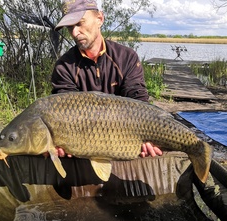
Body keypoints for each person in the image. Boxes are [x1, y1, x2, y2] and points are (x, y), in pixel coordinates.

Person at [51, 0, 162, 158]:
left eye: (80, 23)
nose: (75, 33)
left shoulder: (126, 57)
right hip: (82, 150)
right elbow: (63, 114)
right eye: (70, 27)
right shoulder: (64, 66)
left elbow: (139, 103)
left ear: (100, 19)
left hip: (127, 140)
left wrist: (149, 138)